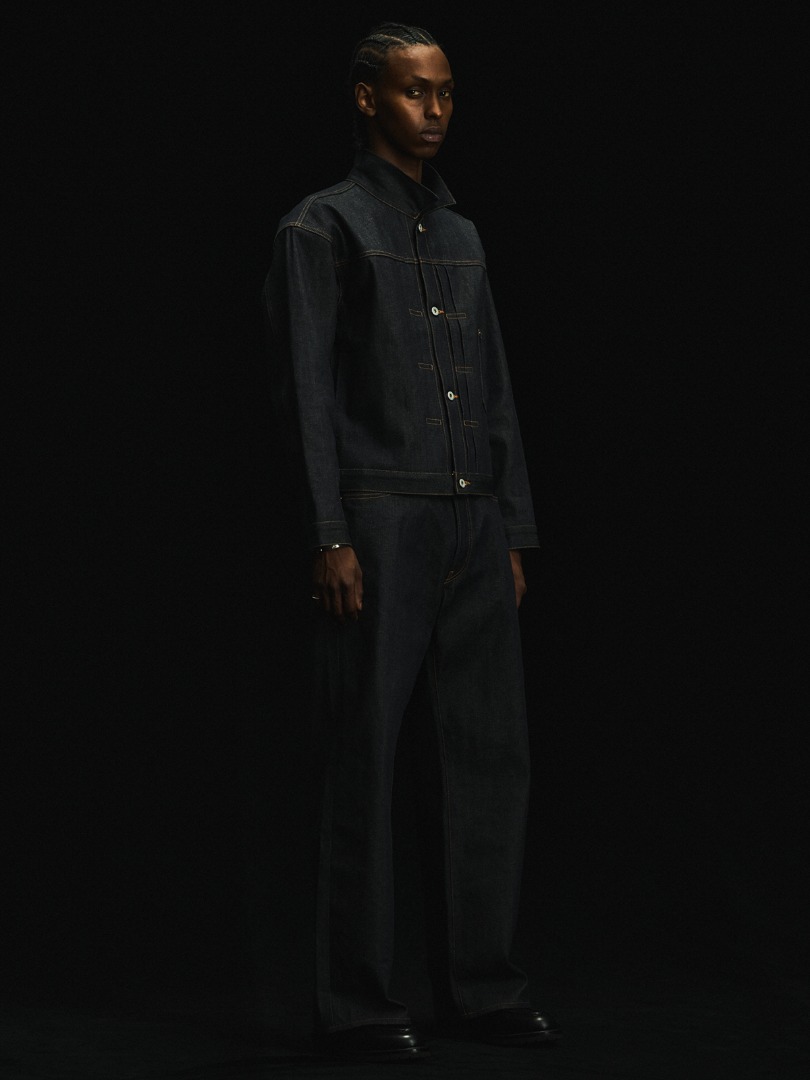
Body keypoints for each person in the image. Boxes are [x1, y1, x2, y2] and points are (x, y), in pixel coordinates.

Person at [263, 21, 560, 1064]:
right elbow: (304, 393)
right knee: (364, 760)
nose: (434, 110)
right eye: (413, 91)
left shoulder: (465, 236)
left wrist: (511, 527)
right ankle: (356, 1002)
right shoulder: (321, 226)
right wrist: (328, 533)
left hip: (473, 520)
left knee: (488, 762)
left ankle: (482, 987)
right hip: (380, 520)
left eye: (444, 93)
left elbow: (496, 387)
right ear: (366, 99)